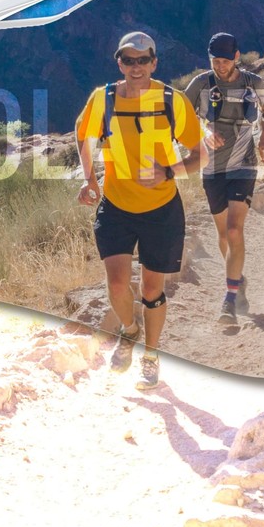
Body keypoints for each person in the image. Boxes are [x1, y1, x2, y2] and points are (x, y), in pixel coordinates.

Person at [76, 31, 208, 390]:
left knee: (151, 290)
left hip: (161, 210)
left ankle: (151, 356)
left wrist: (169, 171)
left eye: (143, 60)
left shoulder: (171, 101)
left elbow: (201, 154)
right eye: (128, 60)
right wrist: (90, 180)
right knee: (118, 283)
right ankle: (129, 330)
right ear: (119, 63)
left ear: (154, 62)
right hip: (116, 206)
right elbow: (83, 134)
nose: (136, 67)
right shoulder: (103, 99)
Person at [184, 32, 264, 324]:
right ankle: (238, 280)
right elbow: (181, 117)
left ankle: (230, 299)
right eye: (215, 61)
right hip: (212, 169)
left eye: (224, 60)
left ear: (236, 56)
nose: (220, 66)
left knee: (234, 230)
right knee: (223, 236)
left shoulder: (253, 83)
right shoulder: (201, 84)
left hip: (244, 165)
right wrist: (203, 131)